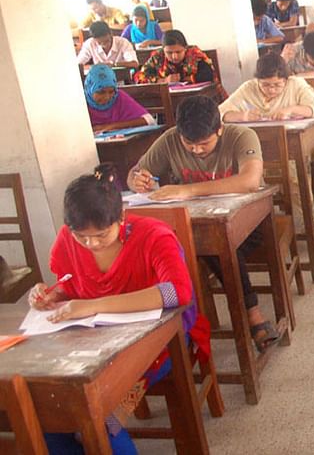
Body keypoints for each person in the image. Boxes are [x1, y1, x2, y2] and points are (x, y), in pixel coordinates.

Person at [30, 164, 211, 455]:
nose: (91, 244)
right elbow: (69, 283)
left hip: (160, 342)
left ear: (122, 217)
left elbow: (177, 292)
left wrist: (93, 306)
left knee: (100, 418)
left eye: (101, 235)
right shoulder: (67, 240)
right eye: (81, 236)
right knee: (52, 416)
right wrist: (51, 295)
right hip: (95, 343)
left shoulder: (153, 236)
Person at [127, 95, 279, 352]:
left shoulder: (241, 136)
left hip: (249, 221)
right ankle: (184, 328)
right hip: (199, 226)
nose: (196, 150)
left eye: (203, 144)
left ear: (219, 129)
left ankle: (249, 312)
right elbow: (136, 172)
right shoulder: (170, 140)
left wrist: (187, 191)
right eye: (189, 144)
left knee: (214, 245)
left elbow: (250, 181)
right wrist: (136, 180)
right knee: (190, 245)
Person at [219, 53, 314, 122]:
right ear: (257, 80)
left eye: (277, 85)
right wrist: (243, 116)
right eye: (265, 85)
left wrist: (291, 110)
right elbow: (220, 113)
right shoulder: (248, 88)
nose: (271, 90)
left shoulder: (296, 84)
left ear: (286, 79)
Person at [84, 64, 156, 134]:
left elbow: (149, 120)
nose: (107, 97)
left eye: (111, 91)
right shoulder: (82, 104)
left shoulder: (119, 97)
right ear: (90, 89)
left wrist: (109, 127)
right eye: (101, 92)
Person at [134, 29, 215, 85]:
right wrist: (164, 80)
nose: (174, 56)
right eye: (169, 53)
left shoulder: (195, 54)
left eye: (178, 52)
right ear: (163, 50)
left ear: (185, 48)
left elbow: (208, 75)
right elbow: (139, 77)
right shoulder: (158, 57)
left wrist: (184, 79)